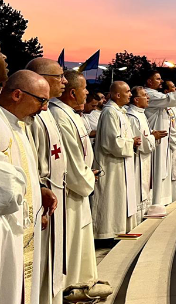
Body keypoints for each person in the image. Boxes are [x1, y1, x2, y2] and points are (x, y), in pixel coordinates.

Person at [0, 70, 52, 304]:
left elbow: (22, 168)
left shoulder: (18, 126)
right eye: (41, 100)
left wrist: (38, 191)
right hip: (7, 226)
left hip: (22, 222)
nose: (44, 108)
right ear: (18, 94)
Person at [48, 71, 98, 287]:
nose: (87, 92)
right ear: (72, 92)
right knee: (71, 240)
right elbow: (71, 157)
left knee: (80, 239)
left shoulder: (69, 114)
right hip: (70, 190)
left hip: (78, 185)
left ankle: (81, 281)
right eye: (85, 88)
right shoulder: (60, 116)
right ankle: (71, 286)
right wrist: (88, 178)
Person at [26, 58, 68, 304]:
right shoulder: (32, 117)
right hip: (41, 195)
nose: (63, 81)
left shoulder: (48, 113)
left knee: (52, 258)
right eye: (59, 77)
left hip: (53, 191)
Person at [91, 81, 140, 239]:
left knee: (118, 198)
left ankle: (117, 230)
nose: (130, 94)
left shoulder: (119, 111)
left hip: (120, 164)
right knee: (110, 198)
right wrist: (131, 142)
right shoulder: (110, 113)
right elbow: (110, 142)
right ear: (117, 95)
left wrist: (131, 141)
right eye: (127, 91)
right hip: (110, 165)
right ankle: (106, 233)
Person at [143, 71, 176, 205]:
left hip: (165, 141)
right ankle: (156, 202)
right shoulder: (149, 94)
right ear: (149, 81)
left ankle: (163, 201)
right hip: (156, 141)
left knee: (164, 171)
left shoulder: (156, 94)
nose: (160, 81)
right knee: (157, 171)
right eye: (158, 79)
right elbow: (170, 99)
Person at [126, 87, 162, 222]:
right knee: (138, 190)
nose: (148, 98)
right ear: (136, 100)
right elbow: (142, 143)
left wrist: (154, 136)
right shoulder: (133, 117)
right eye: (144, 95)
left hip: (145, 160)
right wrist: (154, 137)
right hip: (137, 162)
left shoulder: (141, 114)